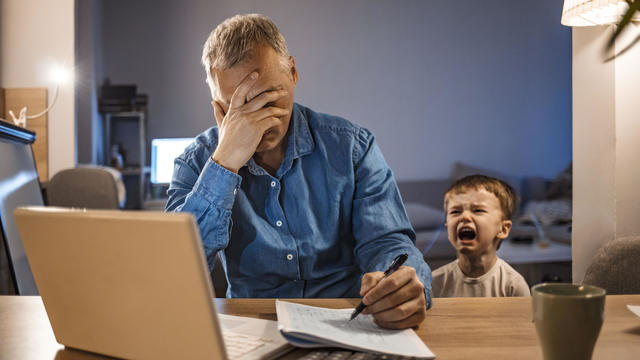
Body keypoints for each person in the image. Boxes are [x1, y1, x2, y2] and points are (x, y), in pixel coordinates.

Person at [166, 14, 432, 329]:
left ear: (292, 72)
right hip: (251, 326)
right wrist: (224, 163)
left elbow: (387, 242)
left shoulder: (352, 147)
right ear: (219, 107)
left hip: (347, 321)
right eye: (240, 109)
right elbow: (174, 269)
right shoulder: (196, 162)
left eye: (269, 99)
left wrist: (399, 283)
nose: (260, 120)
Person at [431, 175, 530, 297]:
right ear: (447, 227)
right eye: (455, 212)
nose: (464, 217)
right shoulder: (435, 283)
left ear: (503, 229)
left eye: (478, 210)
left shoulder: (513, 285)